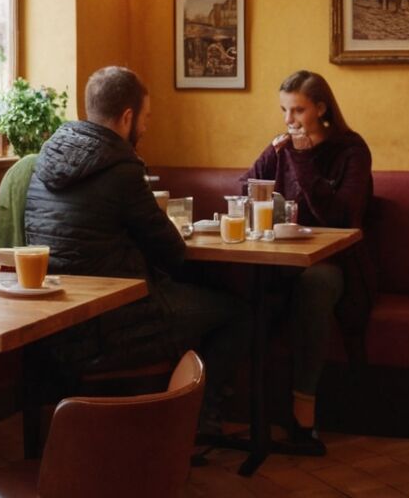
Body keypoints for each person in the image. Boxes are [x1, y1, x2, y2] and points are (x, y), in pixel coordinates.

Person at [23, 66, 249, 435]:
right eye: (145, 118)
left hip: (56, 326)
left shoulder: (44, 163)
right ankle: (199, 421)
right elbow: (172, 252)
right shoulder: (121, 168)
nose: (145, 127)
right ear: (127, 117)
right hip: (115, 324)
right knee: (238, 311)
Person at [241, 69, 374, 456]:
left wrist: (301, 160)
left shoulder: (351, 151)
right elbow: (245, 187)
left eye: (297, 110)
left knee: (314, 284)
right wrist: (270, 204)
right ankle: (226, 406)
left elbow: (342, 214)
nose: (288, 120)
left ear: (320, 108)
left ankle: (303, 412)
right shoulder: (280, 148)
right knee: (242, 282)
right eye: (284, 110)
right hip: (282, 260)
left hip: (337, 264)